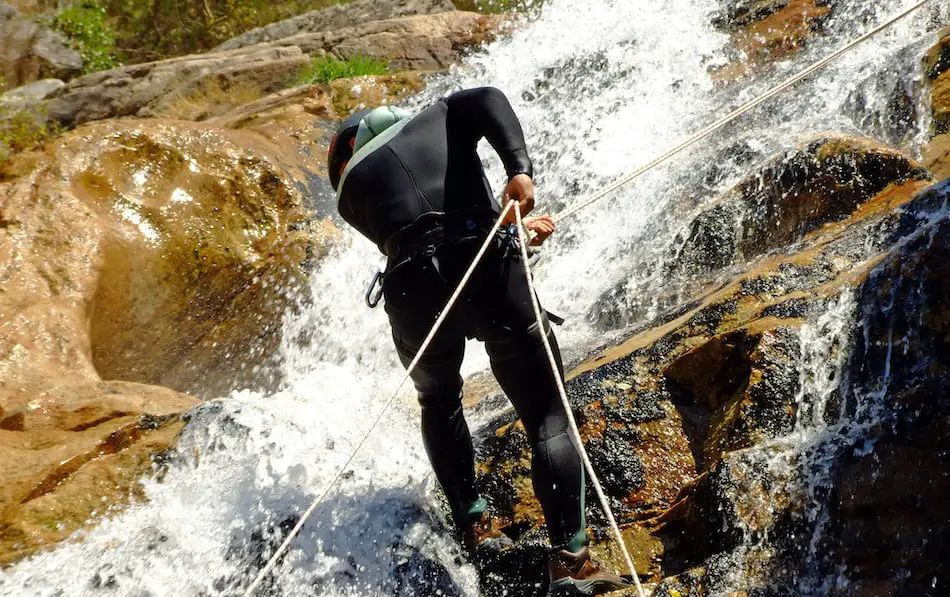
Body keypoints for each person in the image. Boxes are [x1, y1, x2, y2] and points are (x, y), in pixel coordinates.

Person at [327, 87, 630, 596]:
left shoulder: (350, 194)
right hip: (485, 267)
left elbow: (420, 222)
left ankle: (475, 528)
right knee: (547, 414)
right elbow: (488, 100)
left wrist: (504, 228)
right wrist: (519, 170)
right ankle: (572, 563)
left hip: (411, 291)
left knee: (438, 400)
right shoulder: (440, 114)